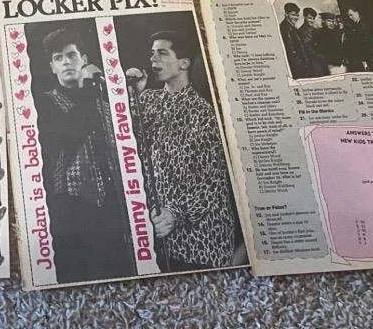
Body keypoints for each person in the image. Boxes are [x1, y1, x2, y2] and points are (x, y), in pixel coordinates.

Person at [125, 30, 240, 271]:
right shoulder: (148, 99)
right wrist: (135, 93)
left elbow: (211, 181)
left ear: (184, 63)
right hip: (160, 235)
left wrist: (174, 213)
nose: (153, 59)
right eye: (152, 53)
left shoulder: (202, 112)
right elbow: (131, 143)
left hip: (201, 240)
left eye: (162, 53)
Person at [35, 28, 133, 283]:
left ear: (84, 59)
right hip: (71, 210)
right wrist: (90, 91)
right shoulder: (44, 103)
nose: (66, 62)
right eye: (59, 58)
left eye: (71, 55)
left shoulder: (104, 101)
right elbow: (67, 133)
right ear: (52, 67)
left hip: (112, 208)